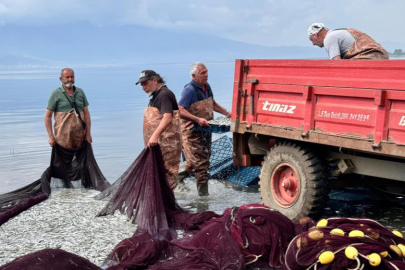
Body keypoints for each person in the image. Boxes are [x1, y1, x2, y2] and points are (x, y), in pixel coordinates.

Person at [178, 62, 232, 196]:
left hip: (205, 130)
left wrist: (226, 113)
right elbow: (179, 110)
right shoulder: (189, 90)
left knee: (203, 160)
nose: (206, 75)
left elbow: (212, 103)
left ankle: (176, 176)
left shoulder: (207, 87)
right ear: (194, 75)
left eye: (207, 72)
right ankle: (204, 199)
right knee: (201, 166)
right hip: (191, 132)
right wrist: (197, 119)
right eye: (203, 73)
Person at [136, 70, 181, 189]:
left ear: (155, 81)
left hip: (167, 145)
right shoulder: (155, 96)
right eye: (141, 85)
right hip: (159, 145)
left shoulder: (164, 95)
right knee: (159, 177)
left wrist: (154, 136)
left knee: (166, 177)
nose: (143, 87)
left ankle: (167, 205)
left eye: (145, 83)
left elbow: (167, 117)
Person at [45, 68, 92, 149]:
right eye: (67, 77)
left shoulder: (80, 92)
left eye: (72, 77)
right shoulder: (55, 94)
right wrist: (51, 136)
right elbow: (47, 117)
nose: (70, 79)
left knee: (82, 161)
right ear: (61, 79)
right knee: (62, 161)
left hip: (80, 137)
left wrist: (88, 134)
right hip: (62, 139)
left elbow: (86, 113)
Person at [307, 23, 389, 60]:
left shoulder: (329, 38)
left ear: (315, 35)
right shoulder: (340, 32)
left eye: (311, 40)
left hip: (369, 59)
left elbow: (337, 64)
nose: (313, 44)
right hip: (382, 56)